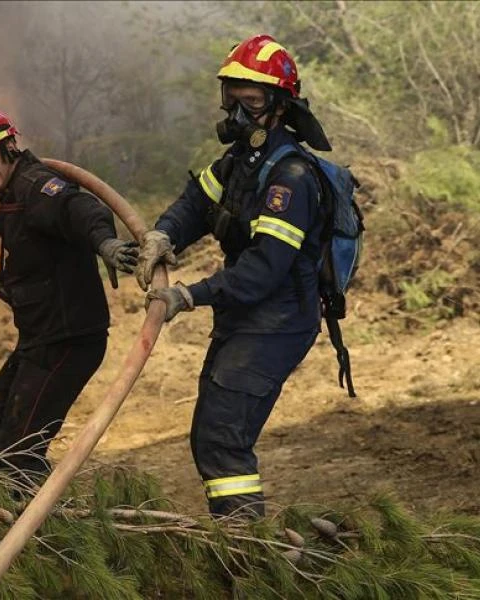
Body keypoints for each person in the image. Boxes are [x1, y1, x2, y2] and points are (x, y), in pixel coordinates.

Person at [135, 35, 335, 519]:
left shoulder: (291, 177)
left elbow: (263, 270)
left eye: (253, 101)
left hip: (277, 322)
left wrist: (189, 294)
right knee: (211, 433)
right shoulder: (241, 162)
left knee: (222, 438)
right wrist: (164, 234)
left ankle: (248, 547)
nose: (240, 112)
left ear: (281, 106)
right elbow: (195, 204)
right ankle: (247, 540)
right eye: (233, 97)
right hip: (244, 318)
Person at [0, 105, 138, 490]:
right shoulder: (9, 185)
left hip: (69, 341)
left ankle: (46, 518)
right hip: (39, 338)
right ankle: (30, 500)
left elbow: (79, 209)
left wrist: (106, 244)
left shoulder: (37, 187)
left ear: (9, 147)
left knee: (18, 452)